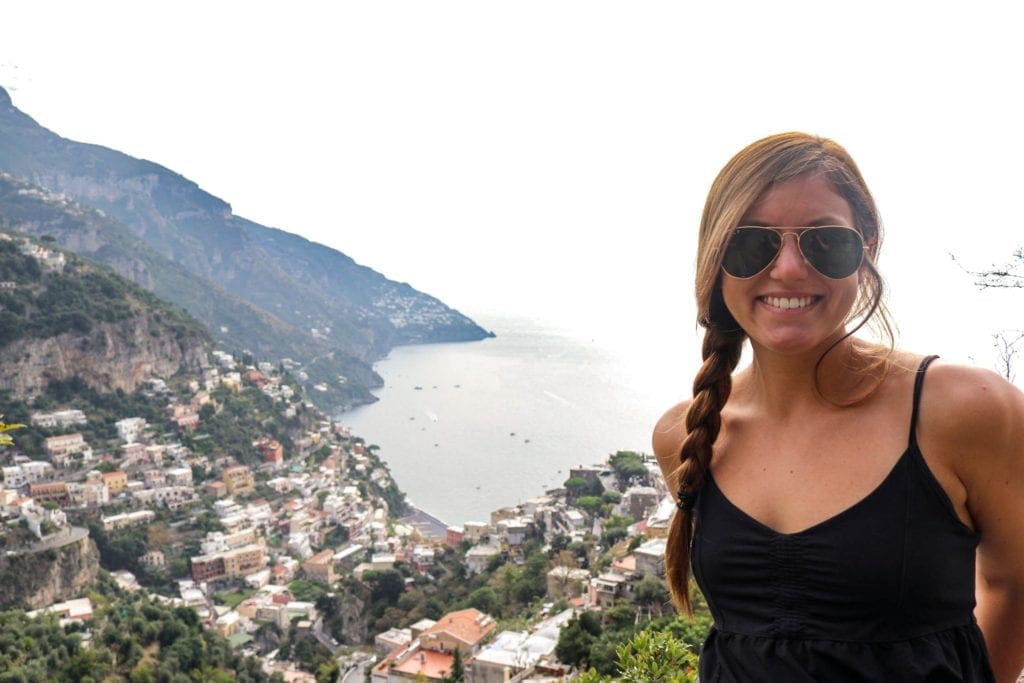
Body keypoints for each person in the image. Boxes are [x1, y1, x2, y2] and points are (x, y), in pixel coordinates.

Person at [653, 132, 1024, 682]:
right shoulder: (685, 435)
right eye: (752, 242)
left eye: (824, 241)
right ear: (715, 255)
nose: (788, 269)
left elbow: (1016, 582)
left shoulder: (965, 410)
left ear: (867, 248)